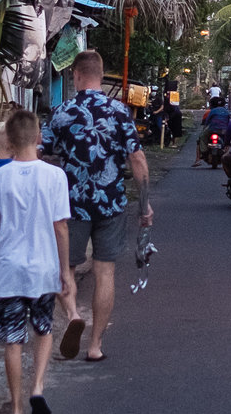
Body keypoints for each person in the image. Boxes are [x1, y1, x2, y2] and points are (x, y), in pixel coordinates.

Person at [42, 50, 150, 363]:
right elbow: (138, 159)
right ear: (101, 76)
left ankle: (74, 313)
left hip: (71, 205)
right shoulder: (119, 112)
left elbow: (38, 151)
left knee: (66, 269)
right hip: (112, 204)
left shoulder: (62, 112)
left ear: (75, 75)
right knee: (105, 273)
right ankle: (95, 346)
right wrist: (144, 207)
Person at [0, 109, 69, 414]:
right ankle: (38, 387)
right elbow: (61, 229)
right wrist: (65, 270)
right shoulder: (55, 176)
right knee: (44, 329)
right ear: (39, 138)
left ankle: (16, 411)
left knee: (13, 340)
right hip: (44, 267)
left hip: (8, 269)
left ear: (10, 141)